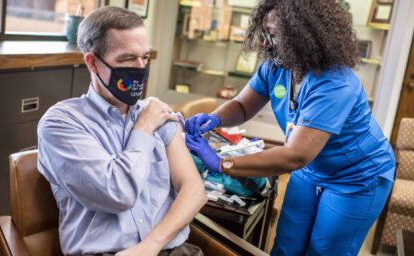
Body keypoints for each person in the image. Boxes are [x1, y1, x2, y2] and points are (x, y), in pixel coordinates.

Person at [184, 0, 395, 255]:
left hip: (356, 176)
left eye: (273, 35)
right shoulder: (276, 69)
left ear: (303, 36)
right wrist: (214, 118)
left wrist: (222, 164)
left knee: (323, 250)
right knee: (287, 245)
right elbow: (242, 106)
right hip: (311, 169)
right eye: (265, 33)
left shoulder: (335, 83)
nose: (265, 43)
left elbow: (296, 155)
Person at [37, 6, 207, 256]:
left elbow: (195, 191)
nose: (140, 68)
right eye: (128, 59)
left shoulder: (157, 112)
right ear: (93, 63)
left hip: (171, 249)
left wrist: (151, 246)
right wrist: (144, 128)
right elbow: (117, 194)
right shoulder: (62, 123)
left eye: (145, 58)